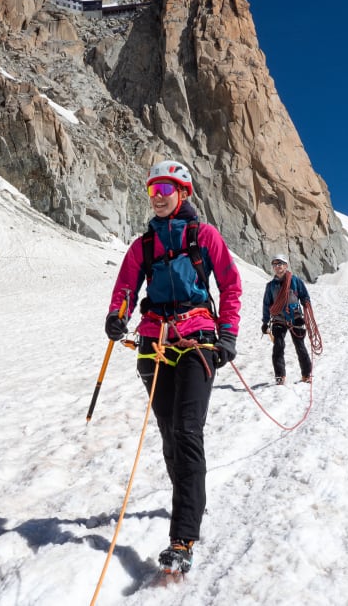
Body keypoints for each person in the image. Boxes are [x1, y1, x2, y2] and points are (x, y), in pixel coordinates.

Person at [104, 159, 242, 574]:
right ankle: (188, 494)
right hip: (153, 343)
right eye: (153, 192)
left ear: (183, 194)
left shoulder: (204, 236)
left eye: (166, 190)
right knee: (169, 434)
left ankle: (182, 538)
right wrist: (117, 315)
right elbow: (127, 285)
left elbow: (230, 284)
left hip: (198, 340)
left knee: (186, 431)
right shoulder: (143, 245)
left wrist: (228, 335)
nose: (158, 198)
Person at [261, 254, 312, 385]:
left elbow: (304, 296)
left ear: (286, 266)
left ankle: (307, 374)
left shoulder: (295, 281)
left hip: (295, 318)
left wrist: (306, 305)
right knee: (278, 347)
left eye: (280, 264)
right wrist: (265, 322)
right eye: (275, 265)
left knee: (300, 346)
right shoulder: (270, 286)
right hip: (278, 319)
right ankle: (280, 376)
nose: (277, 267)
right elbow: (267, 304)